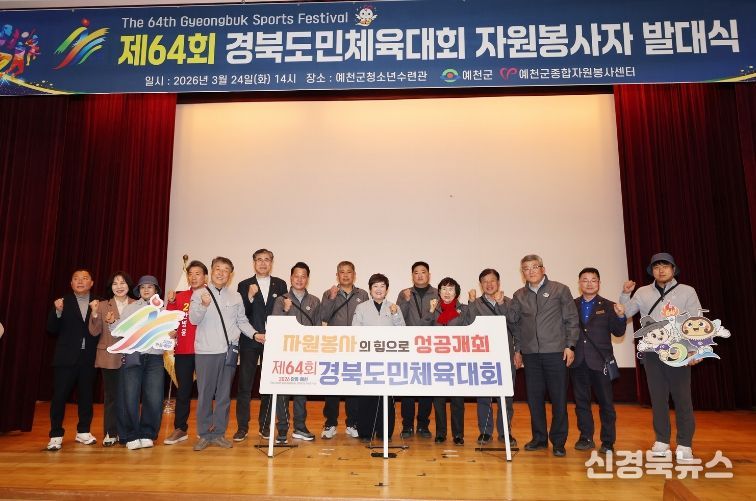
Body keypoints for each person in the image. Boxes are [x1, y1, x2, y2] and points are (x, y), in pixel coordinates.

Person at [619, 252, 701, 462]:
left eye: (665, 266)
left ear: (673, 269)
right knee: (658, 398)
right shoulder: (643, 292)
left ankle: (684, 444)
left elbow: (696, 320)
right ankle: (662, 441)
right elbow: (624, 313)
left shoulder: (687, 291)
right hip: (652, 352)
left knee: (682, 398)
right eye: (656, 267)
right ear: (652, 271)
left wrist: (695, 349)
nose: (661, 270)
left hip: (679, 351)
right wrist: (625, 294)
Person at [510, 254, 580, 457]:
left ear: (543, 269)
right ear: (522, 273)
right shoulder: (519, 295)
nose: (530, 271)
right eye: (526, 268)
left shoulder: (560, 289)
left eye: (534, 267)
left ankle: (558, 441)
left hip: (556, 353)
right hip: (531, 354)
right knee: (534, 399)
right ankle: (539, 439)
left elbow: (571, 319)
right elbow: (516, 325)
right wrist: (518, 350)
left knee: (558, 399)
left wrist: (570, 345)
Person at [190, 256, 256, 451]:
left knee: (224, 395)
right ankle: (204, 434)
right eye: (218, 269)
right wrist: (203, 305)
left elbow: (241, 321)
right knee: (205, 394)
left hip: (229, 352)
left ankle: (219, 433)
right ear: (211, 271)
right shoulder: (199, 294)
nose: (221, 273)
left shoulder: (236, 297)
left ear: (230, 275)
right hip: (206, 351)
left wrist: (255, 334)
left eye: (226, 270)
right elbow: (193, 320)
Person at [235, 249, 289, 442]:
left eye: (267, 260)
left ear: (272, 262)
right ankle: (242, 428)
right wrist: (249, 297)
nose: (263, 263)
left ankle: (265, 426)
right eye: (259, 260)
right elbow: (241, 313)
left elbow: (282, 312)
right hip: (250, 339)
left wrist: (286, 309)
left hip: (272, 341)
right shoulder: (243, 285)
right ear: (254, 262)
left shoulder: (280, 284)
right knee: (245, 386)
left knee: (267, 384)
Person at [571, 267, 626, 454]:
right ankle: (585, 437)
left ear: (599, 283)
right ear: (579, 283)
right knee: (581, 403)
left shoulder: (609, 306)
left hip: (600, 362)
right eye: (585, 280)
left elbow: (618, 332)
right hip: (578, 362)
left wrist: (621, 316)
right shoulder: (571, 305)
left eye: (593, 280)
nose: (589, 283)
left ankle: (608, 441)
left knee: (606, 404)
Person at [111, 275, 168, 450]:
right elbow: (119, 330)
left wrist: (170, 334)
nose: (146, 290)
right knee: (129, 396)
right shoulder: (131, 308)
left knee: (154, 397)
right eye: (143, 287)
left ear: (156, 290)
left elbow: (167, 333)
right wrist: (112, 322)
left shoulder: (163, 309)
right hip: (133, 356)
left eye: (150, 287)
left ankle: (147, 434)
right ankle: (130, 435)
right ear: (138, 291)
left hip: (155, 358)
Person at [46, 269, 99, 451]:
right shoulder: (62, 302)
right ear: (71, 283)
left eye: (84, 278)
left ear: (91, 283)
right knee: (59, 397)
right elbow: (51, 328)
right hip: (65, 357)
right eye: (76, 279)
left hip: (89, 357)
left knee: (86, 396)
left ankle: (83, 431)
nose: (80, 281)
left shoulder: (98, 302)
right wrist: (57, 312)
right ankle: (55, 434)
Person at [466, 268, 520, 447]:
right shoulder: (475, 303)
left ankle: (505, 432)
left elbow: (516, 326)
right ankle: (485, 432)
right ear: (480, 284)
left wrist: (518, 351)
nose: (489, 284)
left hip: (506, 356)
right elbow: (468, 325)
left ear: (498, 282)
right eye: (485, 281)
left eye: (492, 281)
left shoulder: (509, 302)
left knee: (506, 396)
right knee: (484, 396)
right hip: (483, 357)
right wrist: (471, 303)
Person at [271, 262, 320, 444]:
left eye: (303, 276)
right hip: (285, 353)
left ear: (307, 279)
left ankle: (300, 427)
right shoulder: (281, 299)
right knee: (282, 392)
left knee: (301, 392)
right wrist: (285, 310)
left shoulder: (314, 301)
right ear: (291, 278)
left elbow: (317, 328)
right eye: (296, 276)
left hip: (305, 353)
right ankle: (282, 429)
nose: (299, 279)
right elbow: (275, 325)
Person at [319, 261, 369, 439]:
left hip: (356, 346)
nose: (346, 275)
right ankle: (330, 423)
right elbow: (324, 316)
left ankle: (352, 423)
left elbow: (367, 319)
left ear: (354, 274)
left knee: (353, 385)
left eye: (349, 272)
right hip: (335, 345)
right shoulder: (329, 293)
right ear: (337, 275)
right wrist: (332, 298)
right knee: (332, 385)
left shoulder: (362, 294)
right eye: (342, 272)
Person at [352, 273, 405, 441]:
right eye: (375, 286)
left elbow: (403, 332)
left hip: (388, 359)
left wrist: (395, 315)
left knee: (386, 396)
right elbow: (355, 330)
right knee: (367, 396)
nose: (379, 289)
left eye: (382, 286)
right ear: (370, 289)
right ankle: (366, 431)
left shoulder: (394, 307)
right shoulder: (361, 307)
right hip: (367, 358)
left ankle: (384, 432)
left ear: (387, 289)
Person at [88, 271, 136, 447]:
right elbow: (94, 332)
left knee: (130, 396)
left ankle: (129, 432)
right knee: (111, 396)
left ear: (129, 285)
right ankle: (111, 432)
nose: (119, 286)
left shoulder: (137, 304)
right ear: (111, 287)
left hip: (131, 356)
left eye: (123, 283)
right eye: (115, 283)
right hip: (109, 356)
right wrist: (94, 313)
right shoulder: (102, 305)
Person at [163, 260, 208, 445]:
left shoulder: (212, 296)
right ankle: (180, 429)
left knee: (206, 391)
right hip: (183, 351)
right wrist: (171, 304)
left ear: (205, 277)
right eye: (190, 274)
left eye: (198, 273)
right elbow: (170, 322)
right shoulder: (180, 297)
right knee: (183, 391)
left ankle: (205, 429)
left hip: (207, 350)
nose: (193, 277)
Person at [422, 277, 468, 445]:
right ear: (439, 292)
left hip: (457, 361)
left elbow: (471, 329)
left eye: (451, 289)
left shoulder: (464, 309)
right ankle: (440, 433)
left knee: (458, 400)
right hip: (437, 361)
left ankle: (458, 434)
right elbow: (422, 330)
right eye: (443, 289)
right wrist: (431, 312)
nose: (447, 292)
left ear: (456, 293)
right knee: (439, 400)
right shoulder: (434, 309)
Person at [396, 261, 438, 439]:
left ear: (429, 275)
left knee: (426, 388)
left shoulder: (437, 293)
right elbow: (398, 318)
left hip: (430, 347)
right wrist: (405, 301)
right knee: (407, 388)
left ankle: (423, 425)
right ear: (412, 275)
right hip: (409, 347)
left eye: (423, 272)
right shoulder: (404, 293)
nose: (420, 275)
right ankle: (407, 425)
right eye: (416, 272)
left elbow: (439, 319)